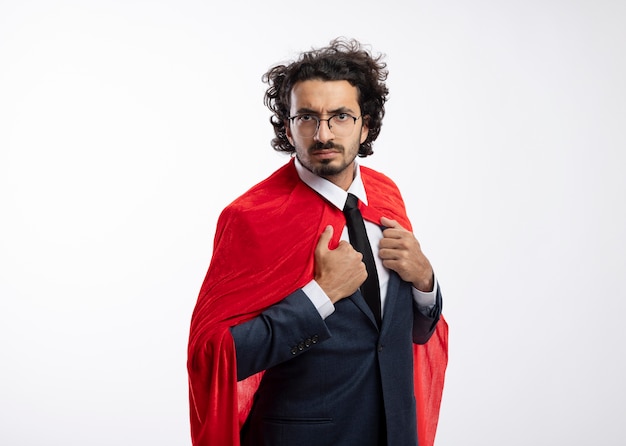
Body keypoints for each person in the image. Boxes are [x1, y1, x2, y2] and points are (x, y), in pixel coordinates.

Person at [187, 37, 448, 446]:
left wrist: (425, 283)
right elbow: (215, 357)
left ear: (367, 125)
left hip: (395, 433)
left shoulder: (386, 197)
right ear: (288, 128)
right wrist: (319, 296)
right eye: (307, 117)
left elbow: (407, 335)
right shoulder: (251, 216)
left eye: (341, 116)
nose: (323, 133)